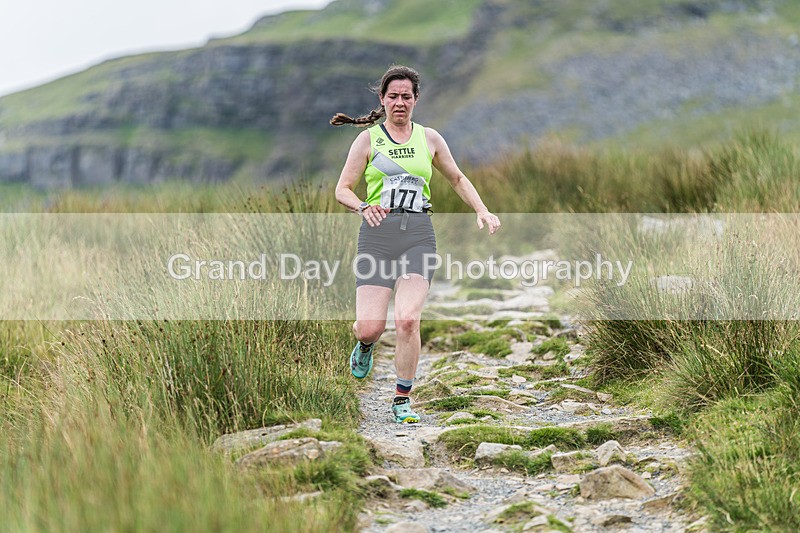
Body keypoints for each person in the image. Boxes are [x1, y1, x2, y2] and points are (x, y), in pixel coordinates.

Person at [332, 65, 500, 424]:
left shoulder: (430, 139)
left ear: (416, 100)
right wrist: (363, 206)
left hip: (418, 235)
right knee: (370, 327)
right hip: (377, 236)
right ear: (382, 99)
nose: (399, 103)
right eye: (392, 96)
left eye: (406, 96)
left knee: (408, 320)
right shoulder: (367, 141)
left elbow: (456, 177)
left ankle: (402, 399)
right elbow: (342, 189)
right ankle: (364, 346)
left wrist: (482, 210)